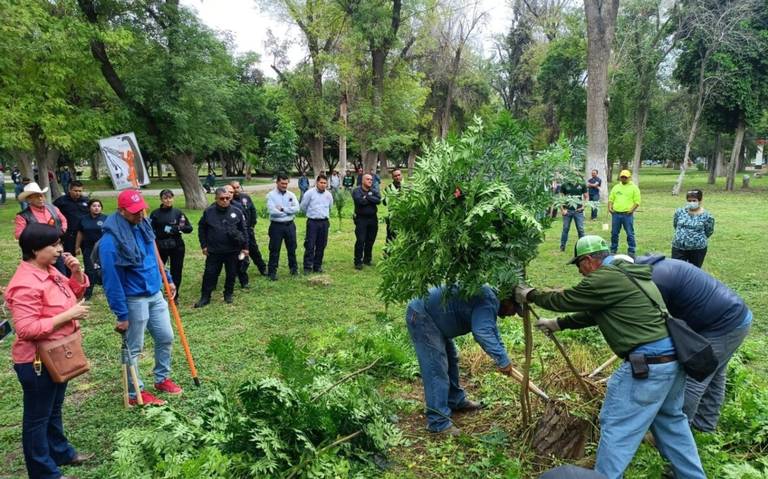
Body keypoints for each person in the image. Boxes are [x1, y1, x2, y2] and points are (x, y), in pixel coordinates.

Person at [515, 235, 705, 479]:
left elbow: (564, 299)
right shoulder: (629, 274)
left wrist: (530, 294)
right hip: (672, 363)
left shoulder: (602, 278)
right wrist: (559, 324)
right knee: (671, 424)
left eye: (578, 265)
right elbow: (595, 313)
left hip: (647, 367)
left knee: (618, 425)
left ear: (589, 260)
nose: (580, 272)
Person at [5, 223, 92, 478]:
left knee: (53, 409)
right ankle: (43, 471)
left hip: (58, 354)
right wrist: (68, 315)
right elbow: (26, 329)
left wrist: (76, 273)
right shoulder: (25, 284)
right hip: (36, 362)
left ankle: (61, 452)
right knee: (37, 418)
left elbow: (73, 292)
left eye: (59, 244)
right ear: (34, 249)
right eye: (53, 245)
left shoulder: (49, 270)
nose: (59, 250)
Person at [636, 254, 752, 432]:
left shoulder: (656, 282)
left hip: (724, 325)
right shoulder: (659, 267)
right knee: (715, 373)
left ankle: (676, 432)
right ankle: (705, 426)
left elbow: (659, 325)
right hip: (735, 317)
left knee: (695, 377)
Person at [99, 189, 182, 406]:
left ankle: (162, 378)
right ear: (121, 211)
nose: (140, 215)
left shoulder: (144, 226)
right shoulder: (110, 241)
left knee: (166, 337)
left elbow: (154, 256)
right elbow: (112, 281)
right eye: (134, 212)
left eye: (142, 210)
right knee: (134, 347)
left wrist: (168, 278)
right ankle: (135, 392)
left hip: (155, 293)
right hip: (134, 299)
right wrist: (121, 313)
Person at [406, 285, 518, 435]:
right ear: (507, 301)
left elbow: (490, 329)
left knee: (451, 360)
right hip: (423, 316)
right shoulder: (489, 300)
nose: (513, 314)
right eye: (514, 309)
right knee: (435, 368)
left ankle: (455, 400)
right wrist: (502, 360)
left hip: (434, 318)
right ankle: (438, 422)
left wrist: (503, 357)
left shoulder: (490, 298)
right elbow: (482, 332)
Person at [195, 187, 249, 307]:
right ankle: (205, 297)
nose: (225, 200)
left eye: (227, 198)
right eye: (222, 198)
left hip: (232, 250)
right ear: (216, 199)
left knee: (231, 273)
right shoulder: (209, 212)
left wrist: (245, 248)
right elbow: (201, 228)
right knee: (210, 274)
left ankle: (228, 294)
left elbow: (244, 230)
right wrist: (203, 245)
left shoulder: (237, 211)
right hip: (214, 251)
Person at [150, 190, 193, 302]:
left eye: (170, 198)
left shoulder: (178, 213)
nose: (168, 200)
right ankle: (158, 294)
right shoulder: (155, 214)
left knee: (176, 271)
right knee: (159, 270)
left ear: (173, 198)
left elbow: (189, 228)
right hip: (161, 246)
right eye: (165, 198)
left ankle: (175, 295)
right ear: (161, 199)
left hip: (176, 246)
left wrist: (178, 228)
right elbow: (150, 230)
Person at [230, 180, 268, 285]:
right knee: (240, 253)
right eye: (234, 188)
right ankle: (240, 271)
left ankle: (262, 268)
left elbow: (253, 211)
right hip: (236, 233)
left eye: (238, 187)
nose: (236, 190)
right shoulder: (228, 201)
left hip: (248, 230)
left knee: (254, 250)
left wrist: (252, 225)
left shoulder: (245, 197)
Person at [266, 174, 300, 280]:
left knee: (292, 248)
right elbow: (273, 212)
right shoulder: (270, 195)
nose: (284, 185)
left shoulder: (291, 195)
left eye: (286, 183)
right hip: (277, 226)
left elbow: (297, 209)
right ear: (277, 182)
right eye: (282, 183)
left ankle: (293, 269)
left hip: (290, 225)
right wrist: (289, 212)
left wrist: (283, 209)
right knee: (274, 249)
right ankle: (272, 272)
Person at [671, 189, 714, 267]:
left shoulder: (707, 216)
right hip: (678, 248)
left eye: (694, 200)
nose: (691, 203)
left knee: (694, 272)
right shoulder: (679, 212)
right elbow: (675, 225)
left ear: (700, 201)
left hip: (697, 250)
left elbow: (709, 231)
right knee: (676, 270)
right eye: (689, 200)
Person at [300, 174, 333, 274]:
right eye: (321, 182)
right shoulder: (309, 193)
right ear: (316, 183)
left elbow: (330, 207)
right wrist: (312, 213)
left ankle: (317, 266)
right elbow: (303, 207)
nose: (323, 185)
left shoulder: (328, 195)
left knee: (321, 245)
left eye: (325, 183)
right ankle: (308, 266)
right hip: (313, 222)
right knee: (310, 244)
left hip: (324, 222)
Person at [75, 199, 107, 300]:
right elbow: (80, 233)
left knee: (106, 269)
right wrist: (77, 247)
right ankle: (88, 293)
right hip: (88, 248)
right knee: (90, 270)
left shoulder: (106, 218)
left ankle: (108, 289)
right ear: (89, 207)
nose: (96, 208)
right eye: (94, 206)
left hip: (103, 248)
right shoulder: (83, 219)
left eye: (98, 206)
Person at [608, 169, 641, 257]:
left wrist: (631, 211)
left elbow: (637, 201)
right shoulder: (616, 187)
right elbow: (611, 199)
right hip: (616, 214)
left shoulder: (634, 188)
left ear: (629, 178)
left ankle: (631, 250)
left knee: (630, 233)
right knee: (614, 233)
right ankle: (613, 249)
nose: (623, 179)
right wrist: (609, 208)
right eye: (622, 177)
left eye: (625, 177)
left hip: (627, 215)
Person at [352, 173, 381, 269]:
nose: (370, 181)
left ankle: (367, 259)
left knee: (370, 239)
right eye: (368, 179)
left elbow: (378, 200)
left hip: (373, 218)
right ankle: (358, 261)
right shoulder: (357, 190)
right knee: (361, 240)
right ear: (363, 180)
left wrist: (367, 197)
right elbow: (360, 201)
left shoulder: (374, 190)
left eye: (371, 180)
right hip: (361, 218)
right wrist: (370, 198)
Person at [53, 181, 90, 255]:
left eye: (80, 191)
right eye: (75, 191)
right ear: (69, 190)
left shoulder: (86, 200)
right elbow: (52, 214)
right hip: (69, 234)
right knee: (69, 257)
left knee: (88, 256)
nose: (78, 193)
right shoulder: (61, 201)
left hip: (84, 233)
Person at [559, 176, 588, 252]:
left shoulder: (582, 184)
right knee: (565, 229)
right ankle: (562, 247)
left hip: (578, 211)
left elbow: (586, 197)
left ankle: (583, 247)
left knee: (580, 230)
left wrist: (583, 207)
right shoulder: (565, 185)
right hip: (567, 211)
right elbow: (560, 198)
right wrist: (562, 210)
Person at [383, 168, 403, 243]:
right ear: (392, 177)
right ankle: (387, 254)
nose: (397, 177)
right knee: (390, 237)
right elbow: (385, 203)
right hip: (393, 217)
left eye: (399, 175)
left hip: (405, 215)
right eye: (395, 176)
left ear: (402, 175)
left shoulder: (407, 187)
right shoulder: (388, 188)